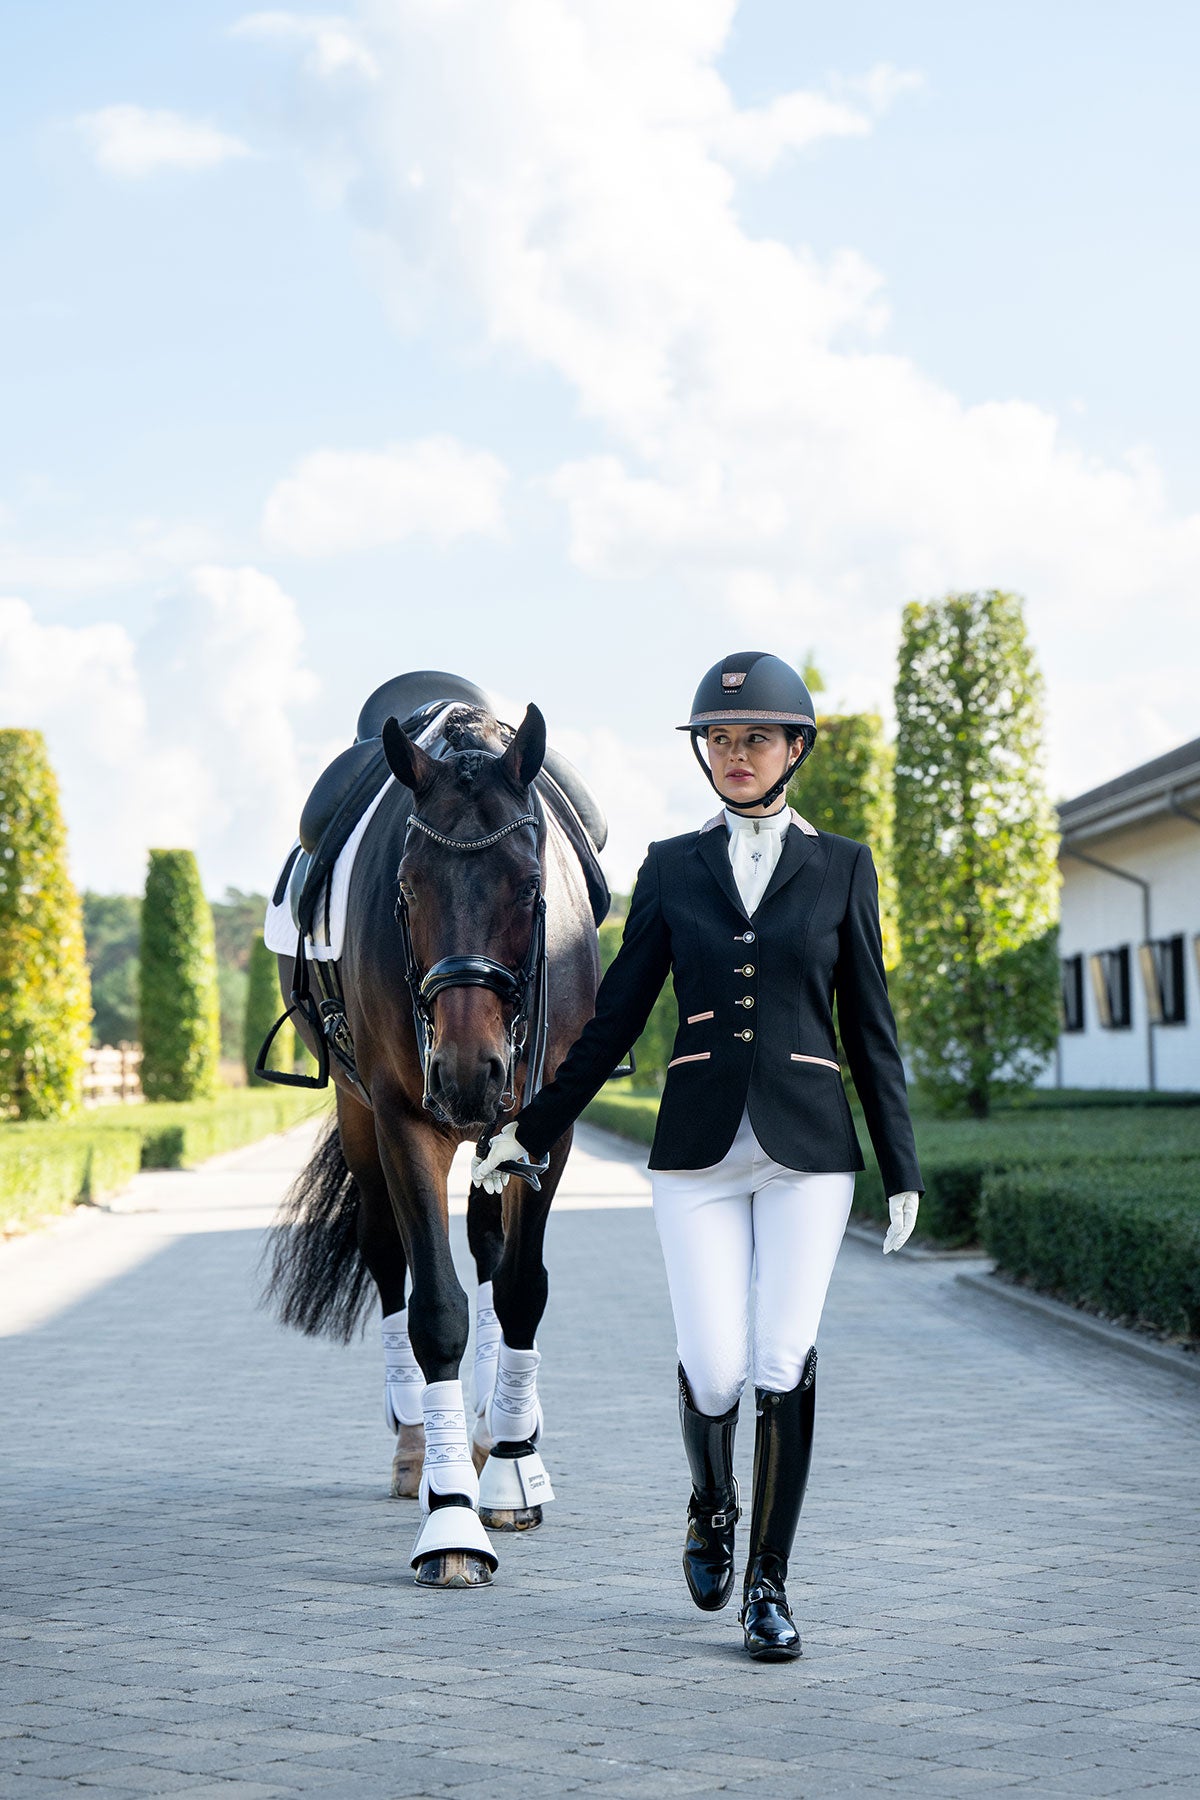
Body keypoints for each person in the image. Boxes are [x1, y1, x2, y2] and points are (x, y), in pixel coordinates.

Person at [472, 651, 923, 1661]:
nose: (735, 753)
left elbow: (873, 1029)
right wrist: (528, 1130)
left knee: (778, 1358)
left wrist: (902, 1169)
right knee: (715, 1365)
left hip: (809, 1150)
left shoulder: (846, 866)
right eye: (719, 740)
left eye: (755, 737)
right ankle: (710, 1503)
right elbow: (612, 1016)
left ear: (795, 747)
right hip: (697, 1157)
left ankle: (770, 1585)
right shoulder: (672, 866)